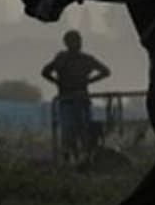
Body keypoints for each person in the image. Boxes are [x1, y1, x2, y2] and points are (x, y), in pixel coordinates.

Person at [42, 30, 110, 162]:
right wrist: (58, 82)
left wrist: (89, 81)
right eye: (73, 41)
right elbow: (45, 72)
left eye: (77, 41)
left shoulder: (86, 59)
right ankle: (69, 157)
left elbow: (105, 71)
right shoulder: (61, 59)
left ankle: (86, 158)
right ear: (66, 43)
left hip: (81, 99)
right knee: (68, 131)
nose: (76, 44)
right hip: (66, 100)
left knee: (85, 130)